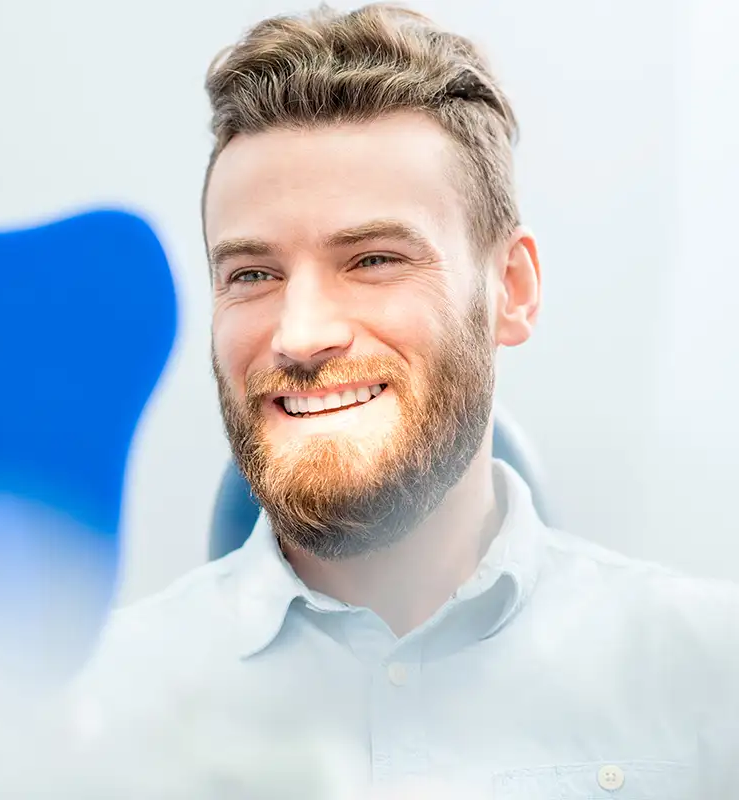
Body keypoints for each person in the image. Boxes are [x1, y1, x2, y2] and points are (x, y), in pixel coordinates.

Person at [70, 4, 739, 797]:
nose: (301, 334)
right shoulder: (84, 711)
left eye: (375, 259)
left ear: (512, 290)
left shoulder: (708, 676)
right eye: (252, 274)